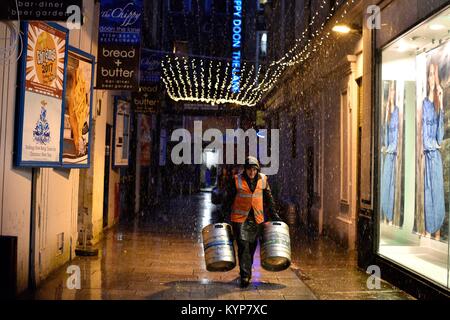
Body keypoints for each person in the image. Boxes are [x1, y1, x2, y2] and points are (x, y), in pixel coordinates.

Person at [220, 156, 282, 288]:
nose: (252, 173)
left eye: (254, 170)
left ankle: (246, 269)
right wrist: (222, 213)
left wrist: (274, 215)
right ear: (245, 169)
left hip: (256, 219)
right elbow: (229, 198)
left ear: (257, 170)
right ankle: (245, 276)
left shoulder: (263, 180)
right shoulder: (237, 180)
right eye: (249, 170)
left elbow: (269, 199)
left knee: (252, 247)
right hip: (240, 219)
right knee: (243, 246)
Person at [422, 62, 445, 237]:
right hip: (425, 155)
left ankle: (437, 230)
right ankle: (428, 228)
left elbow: (439, 137)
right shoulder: (423, 103)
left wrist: (442, 103)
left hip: (434, 156)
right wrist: (429, 146)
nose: (431, 78)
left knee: (436, 191)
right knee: (427, 192)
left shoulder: (437, 104)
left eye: (434, 74)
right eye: (430, 74)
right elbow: (422, 133)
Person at [380, 82, 399, 224]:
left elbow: (398, 137)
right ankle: (386, 217)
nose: (391, 93)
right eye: (390, 90)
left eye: (393, 90)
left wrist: (389, 149)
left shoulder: (398, 112)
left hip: (394, 155)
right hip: (388, 155)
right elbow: (386, 137)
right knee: (385, 185)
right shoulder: (388, 113)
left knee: (392, 186)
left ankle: (390, 218)